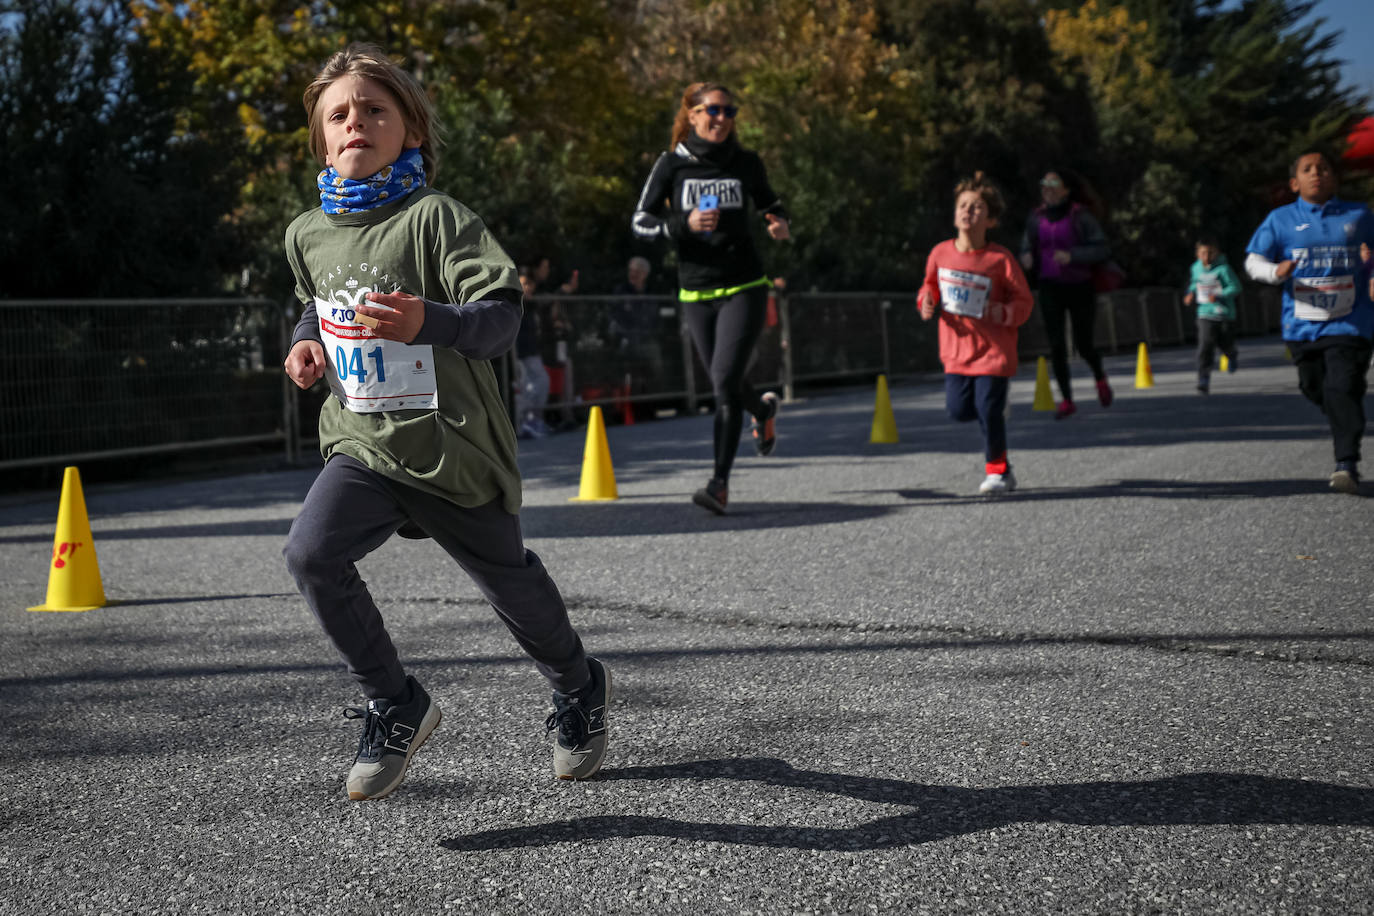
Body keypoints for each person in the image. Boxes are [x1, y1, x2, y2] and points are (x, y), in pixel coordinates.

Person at [279, 43, 610, 800]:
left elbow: (499, 319)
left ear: (412, 131)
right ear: (322, 141)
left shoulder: (437, 219)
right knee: (310, 555)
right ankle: (395, 702)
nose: (355, 120)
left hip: (451, 447)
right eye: (339, 114)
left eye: (374, 109)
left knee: (509, 584)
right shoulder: (307, 232)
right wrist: (304, 344)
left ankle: (578, 683)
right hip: (362, 441)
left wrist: (429, 320)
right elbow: (312, 300)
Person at [631, 81, 789, 514]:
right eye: (714, 110)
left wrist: (778, 221)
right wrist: (683, 224)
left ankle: (718, 484)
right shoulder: (671, 164)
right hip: (695, 289)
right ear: (693, 114)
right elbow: (640, 221)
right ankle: (761, 408)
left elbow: (770, 203)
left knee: (722, 382)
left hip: (744, 286)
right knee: (729, 381)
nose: (722, 119)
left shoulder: (746, 162)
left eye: (729, 111)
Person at [1245, 150, 1374, 494]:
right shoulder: (1280, 219)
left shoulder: (1359, 214)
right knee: (1314, 387)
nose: (1317, 173)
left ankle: (1345, 463)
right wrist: (1275, 271)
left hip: (1351, 321)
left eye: (1324, 168)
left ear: (1334, 178)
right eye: (1308, 169)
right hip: (1302, 324)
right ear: (1294, 182)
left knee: (1340, 385)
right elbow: (1253, 262)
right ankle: (1346, 414)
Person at [918, 173, 1034, 494]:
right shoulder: (940, 254)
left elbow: (1024, 300)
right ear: (955, 213)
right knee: (959, 411)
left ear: (991, 219)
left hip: (994, 352)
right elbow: (929, 287)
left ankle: (997, 471)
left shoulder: (1000, 259)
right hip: (956, 352)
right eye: (963, 205)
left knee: (987, 408)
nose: (968, 211)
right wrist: (926, 303)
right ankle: (996, 416)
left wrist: (1005, 312)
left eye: (978, 207)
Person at [1019, 169, 1114, 419]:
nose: (1047, 188)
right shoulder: (1035, 217)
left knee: (1083, 344)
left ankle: (1100, 378)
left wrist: (1073, 256)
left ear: (1065, 190)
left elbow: (1102, 248)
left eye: (1053, 184)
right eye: (1044, 184)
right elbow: (1026, 246)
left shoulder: (1080, 215)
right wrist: (1026, 257)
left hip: (1080, 285)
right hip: (1050, 286)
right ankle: (1067, 400)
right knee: (1056, 346)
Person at [1182, 236, 1241, 394]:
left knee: (1225, 342)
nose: (1206, 257)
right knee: (1205, 345)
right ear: (1197, 254)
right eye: (1202, 253)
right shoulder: (1196, 268)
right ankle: (1203, 378)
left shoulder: (1224, 269)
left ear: (1216, 253)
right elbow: (1195, 283)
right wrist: (1190, 294)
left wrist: (1220, 294)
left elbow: (1236, 287)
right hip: (1205, 313)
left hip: (1224, 314)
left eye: (1210, 253)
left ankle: (1231, 353)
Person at [609, 256, 664, 418]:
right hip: (628, 341)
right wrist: (626, 335)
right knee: (633, 376)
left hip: (648, 339)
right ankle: (631, 410)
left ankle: (651, 407)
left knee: (654, 372)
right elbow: (615, 317)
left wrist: (653, 333)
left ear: (645, 274)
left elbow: (656, 318)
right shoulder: (621, 291)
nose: (633, 274)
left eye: (637, 271)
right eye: (631, 271)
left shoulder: (650, 291)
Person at [514, 266, 553, 437]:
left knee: (538, 383)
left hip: (530, 351)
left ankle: (531, 420)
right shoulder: (515, 303)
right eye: (524, 284)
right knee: (529, 387)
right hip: (520, 353)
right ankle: (526, 422)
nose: (528, 288)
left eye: (530, 284)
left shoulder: (531, 304)